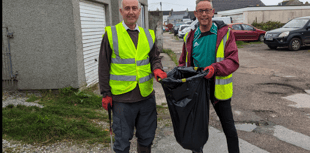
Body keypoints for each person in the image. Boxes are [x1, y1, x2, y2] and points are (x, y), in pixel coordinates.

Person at [98, 0, 167, 152]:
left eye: (134, 8)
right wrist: (105, 93)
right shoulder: (111, 34)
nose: (131, 12)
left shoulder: (148, 34)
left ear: (139, 11)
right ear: (121, 11)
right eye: (127, 8)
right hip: (122, 100)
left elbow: (154, 58)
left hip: (146, 97)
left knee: (146, 138)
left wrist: (157, 69)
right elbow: (103, 66)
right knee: (122, 142)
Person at [178, 0, 240, 153]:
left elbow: (233, 61)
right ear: (196, 14)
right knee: (196, 129)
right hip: (197, 89)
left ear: (213, 12)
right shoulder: (189, 37)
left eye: (207, 10)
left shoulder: (225, 34)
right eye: (200, 11)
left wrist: (215, 68)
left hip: (218, 88)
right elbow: (183, 63)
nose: (204, 14)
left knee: (229, 129)